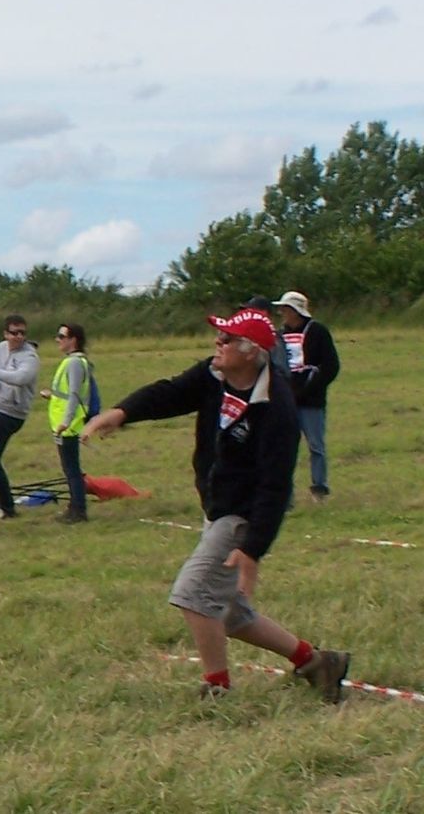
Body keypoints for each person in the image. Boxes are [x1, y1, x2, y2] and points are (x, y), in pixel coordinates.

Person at [81, 308, 351, 703]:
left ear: (251, 351)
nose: (217, 345)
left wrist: (252, 549)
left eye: (226, 340)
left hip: (242, 513)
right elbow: (170, 392)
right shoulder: (213, 375)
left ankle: (217, 688)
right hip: (216, 504)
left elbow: (275, 487)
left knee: (193, 593)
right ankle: (317, 662)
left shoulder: (276, 408)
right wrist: (121, 413)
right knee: (230, 614)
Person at [273, 291, 341, 503]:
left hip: (311, 401)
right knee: (285, 448)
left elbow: (331, 366)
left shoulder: (318, 331)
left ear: (296, 311)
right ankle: (287, 496)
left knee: (315, 446)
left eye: (285, 309)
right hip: (286, 400)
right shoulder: (279, 335)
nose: (282, 313)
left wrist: (311, 388)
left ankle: (319, 489)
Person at [0, 315, 38, 518]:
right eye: (14, 333)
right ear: (5, 334)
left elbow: (21, 378)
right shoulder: (0, 348)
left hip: (11, 413)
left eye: (22, 333)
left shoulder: (30, 356)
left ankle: (7, 508)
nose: (18, 337)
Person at [42, 322, 92, 524]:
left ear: (74, 340)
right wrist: (52, 395)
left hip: (68, 426)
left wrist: (66, 421)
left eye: (62, 336)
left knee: (71, 469)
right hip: (65, 424)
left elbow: (73, 395)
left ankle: (78, 510)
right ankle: (75, 506)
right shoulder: (72, 362)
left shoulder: (74, 363)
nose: (58, 340)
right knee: (70, 468)